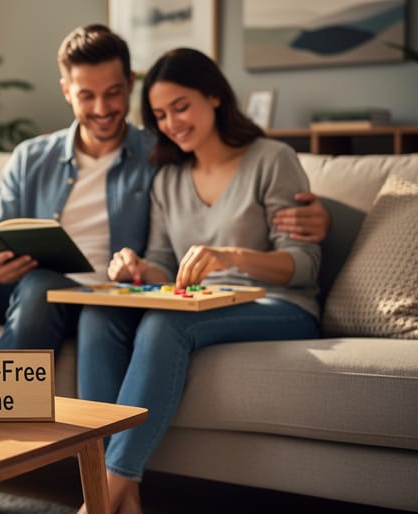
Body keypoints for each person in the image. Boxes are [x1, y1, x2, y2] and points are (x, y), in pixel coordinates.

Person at [0, 25, 327, 514]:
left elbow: (264, 221)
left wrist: (318, 217)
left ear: (129, 85)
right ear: (67, 91)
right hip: (16, 289)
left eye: (114, 94)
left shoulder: (158, 153)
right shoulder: (33, 157)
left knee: (54, 291)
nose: (103, 109)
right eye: (87, 95)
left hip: (84, 296)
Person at [75, 47, 322, 514]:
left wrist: (231, 257)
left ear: (214, 97)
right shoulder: (168, 177)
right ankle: (110, 487)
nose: (171, 123)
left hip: (279, 304)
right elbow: (165, 263)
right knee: (98, 313)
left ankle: (103, 497)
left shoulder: (272, 158)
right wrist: (137, 269)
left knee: (166, 324)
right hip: (203, 304)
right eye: (160, 114)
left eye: (181, 107)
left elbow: (304, 264)